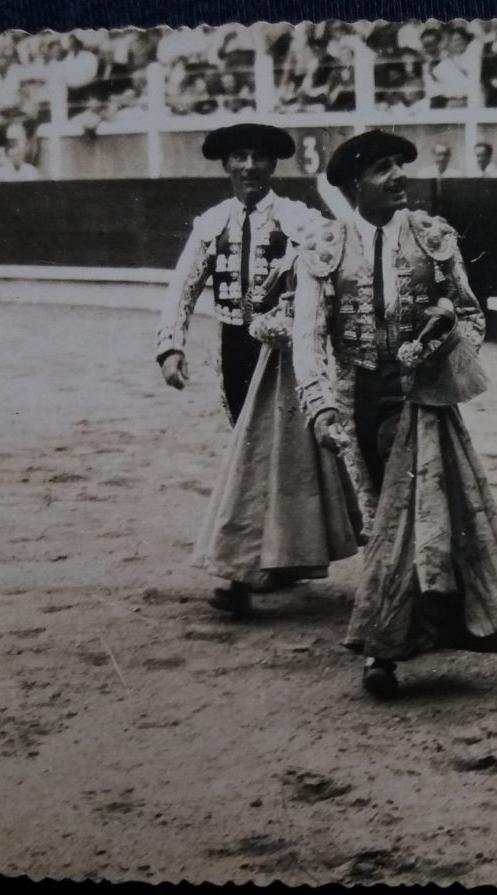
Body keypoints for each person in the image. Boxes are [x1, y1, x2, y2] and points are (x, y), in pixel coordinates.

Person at [291, 130, 497, 699]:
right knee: (381, 518)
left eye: (401, 165)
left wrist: (446, 350)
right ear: (355, 185)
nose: (399, 175)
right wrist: (321, 405)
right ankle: (402, 633)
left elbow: (472, 318)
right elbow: (308, 338)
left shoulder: (432, 238)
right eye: (383, 169)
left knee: (409, 521)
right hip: (356, 400)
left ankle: (382, 647)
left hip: (422, 403)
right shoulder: (324, 246)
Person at [156, 122, 349, 614]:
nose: (249, 167)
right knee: (253, 446)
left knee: (266, 453)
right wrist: (170, 345)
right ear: (225, 165)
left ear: (273, 165)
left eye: (259, 157)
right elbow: (184, 284)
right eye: (239, 157)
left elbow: (336, 257)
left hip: (284, 351)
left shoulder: (297, 218)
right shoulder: (213, 222)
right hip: (234, 346)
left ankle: (243, 569)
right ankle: (277, 557)